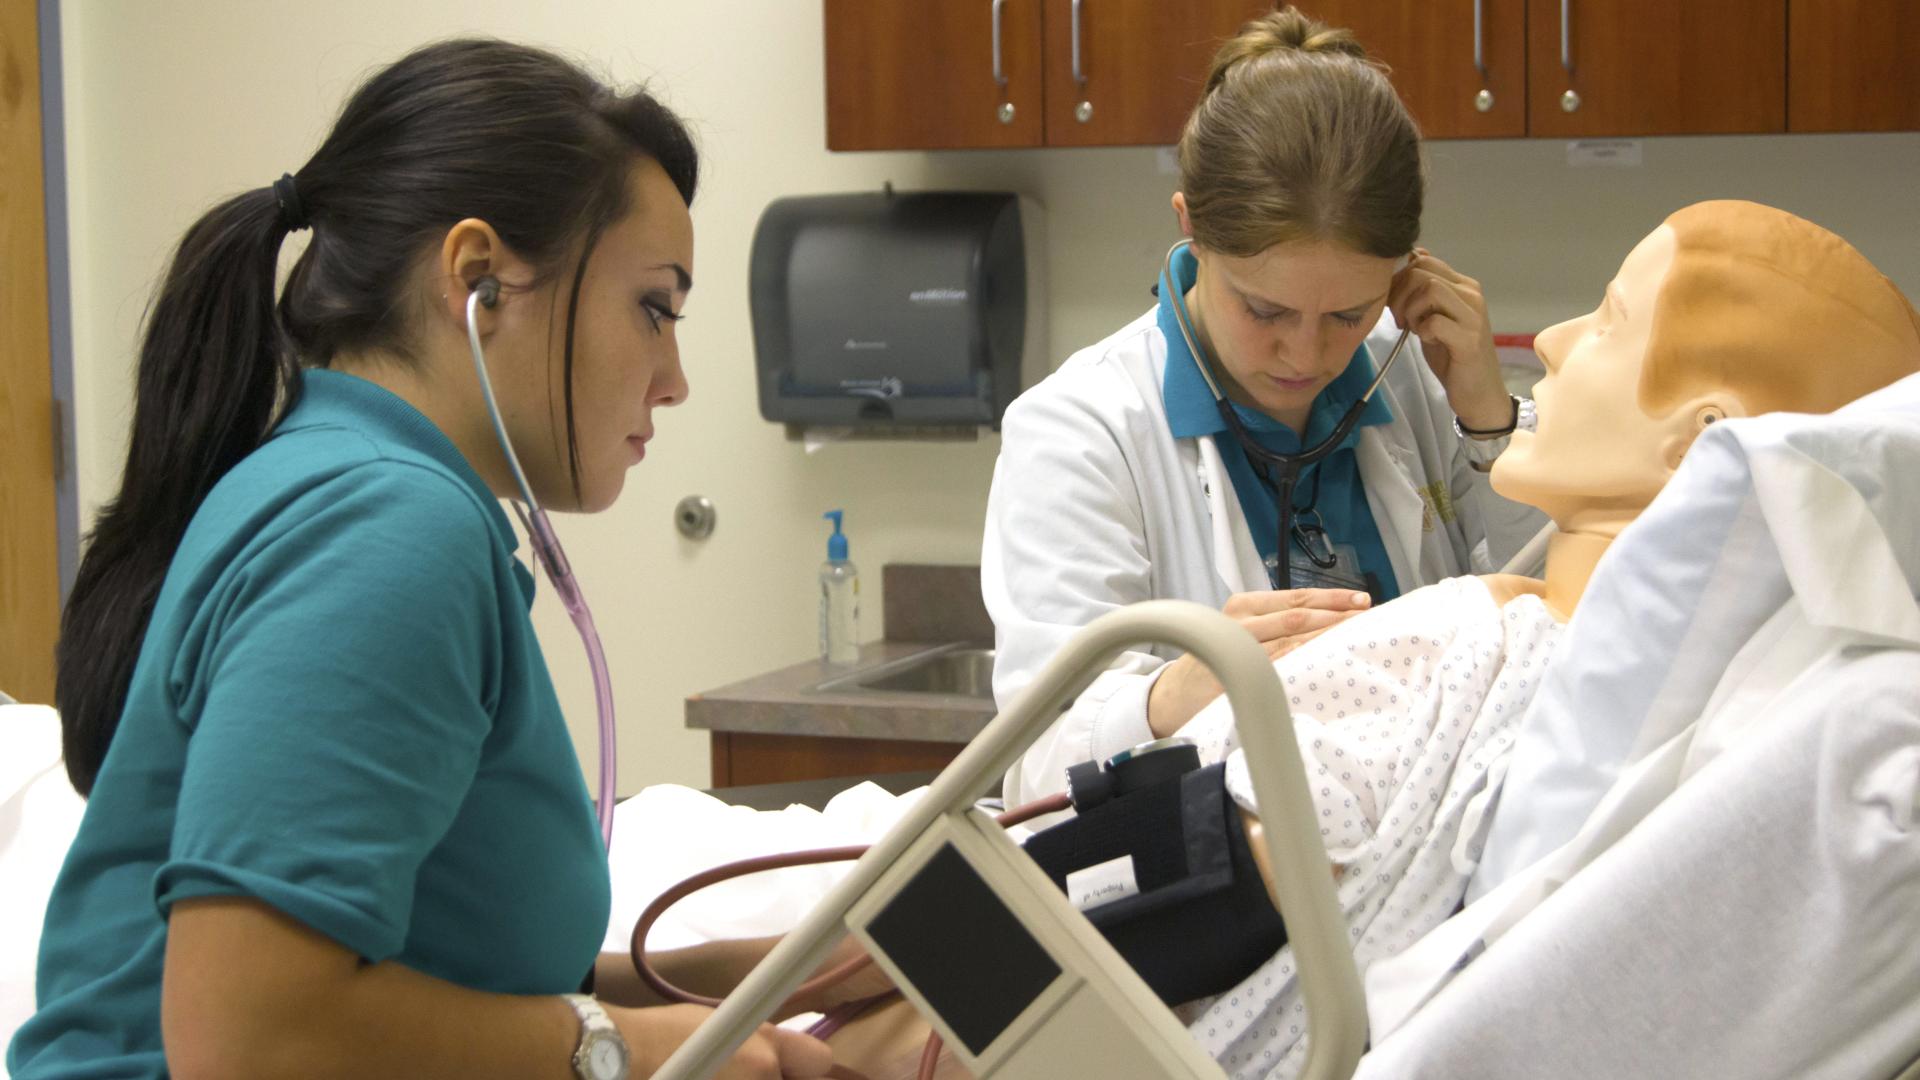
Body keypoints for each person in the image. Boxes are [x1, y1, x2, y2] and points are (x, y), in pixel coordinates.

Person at [822, 200, 1920, 1079]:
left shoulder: (1478, 636)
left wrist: (795, 980)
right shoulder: (1707, 697)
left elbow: (1167, 887)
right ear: (1190, 232)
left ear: (1702, 444)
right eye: (1268, 311)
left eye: (1611, 319)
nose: (1557, 338)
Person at [7, 40, 833, 1080]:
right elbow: (247, 1038)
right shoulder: (385, 533)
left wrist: (761, 976)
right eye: (654, 308)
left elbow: (436, 964)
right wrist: (614, 1050)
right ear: (479, 279)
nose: (672, 379)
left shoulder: (343, 484)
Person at [984, 7, 1547, 809]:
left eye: (1349, 314)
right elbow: (1037, 767)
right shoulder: (1082, 429)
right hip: (1227, 894)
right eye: (1266, 311)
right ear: (1191, 230)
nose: (1309, 355)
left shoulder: (1410, 376)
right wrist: (1181, 689)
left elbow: (1555, 623)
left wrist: (1491, 423)